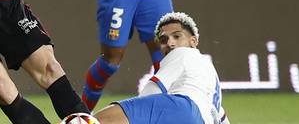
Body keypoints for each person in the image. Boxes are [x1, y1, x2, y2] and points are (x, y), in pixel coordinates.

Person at [93, 12, 230, 124]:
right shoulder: (209, 72)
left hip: (182, 109)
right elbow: (221, 117)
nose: (170, 43)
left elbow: (152, 91)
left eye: (177, 36)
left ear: (193, 41)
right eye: (164, 40)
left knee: (100, 120)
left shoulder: (181, 53)